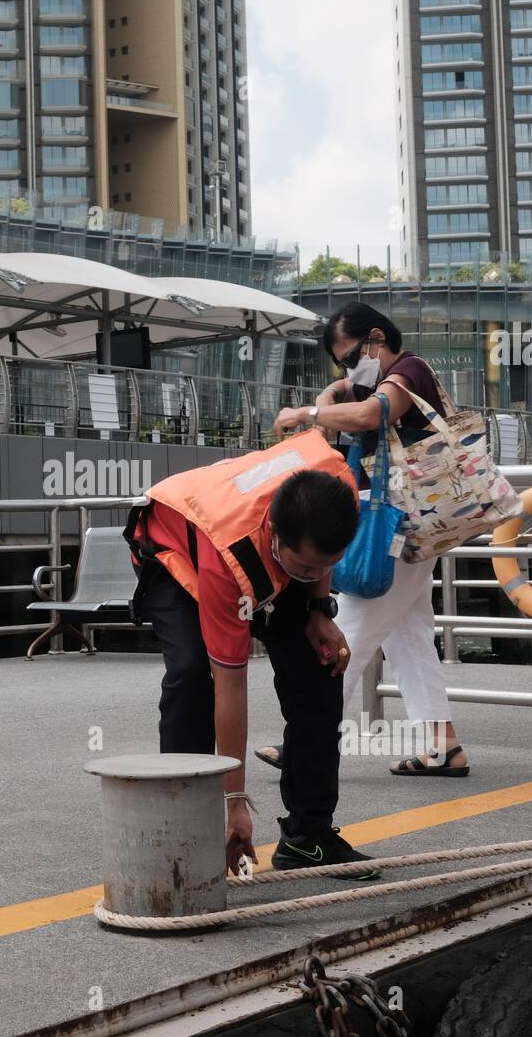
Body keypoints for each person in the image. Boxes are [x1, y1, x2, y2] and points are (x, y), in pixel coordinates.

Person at [125, 427, 380, 878]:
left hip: (266, 550)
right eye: (307, 567)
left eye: (327, 564)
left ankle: (308, 837)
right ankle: (189, 837)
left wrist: (319, 607)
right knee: (191, 676)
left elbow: (315, 559)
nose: (317, 572)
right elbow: (233, 686)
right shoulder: (231, 556)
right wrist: (235, 803)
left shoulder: (336, 489)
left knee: (320, 671)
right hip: (176, 548)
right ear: (274, 533)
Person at [260, 302, 470, 778]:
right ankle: (444, 746)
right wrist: (334, 388)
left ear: (377, 338)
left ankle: (308, 736)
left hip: (399, 525)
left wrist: (311, 410)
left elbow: (370, 415)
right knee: (410, 636)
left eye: (353, 356)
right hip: (406, 523)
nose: (351, 368)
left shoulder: (410, 371)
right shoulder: (375, 378)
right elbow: (344, 398)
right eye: (343, 362)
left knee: (350, 626)